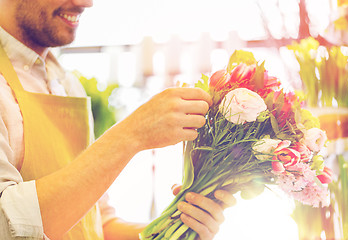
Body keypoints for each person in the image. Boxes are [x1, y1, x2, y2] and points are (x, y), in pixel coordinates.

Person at [0, 0, 237, 240]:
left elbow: (97, 223)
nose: (86, 3)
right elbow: (4, 223)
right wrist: (131, 134)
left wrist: (175, 228)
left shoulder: (68, 85)